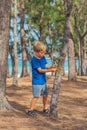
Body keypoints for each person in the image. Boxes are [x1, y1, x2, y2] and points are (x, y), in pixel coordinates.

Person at [27, 41, 57, 117]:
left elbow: (45, 65)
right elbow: (40, 70)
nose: (42, 54)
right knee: (36, 96)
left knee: (45, 95)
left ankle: (45, 108)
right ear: (36, 52)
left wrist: (51, 67)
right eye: (41, 53)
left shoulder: (42, 57)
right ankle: (30, 110)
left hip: (43, 81)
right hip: (37, 82)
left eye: (43, 53)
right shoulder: (34, 60)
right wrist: (50, 71)